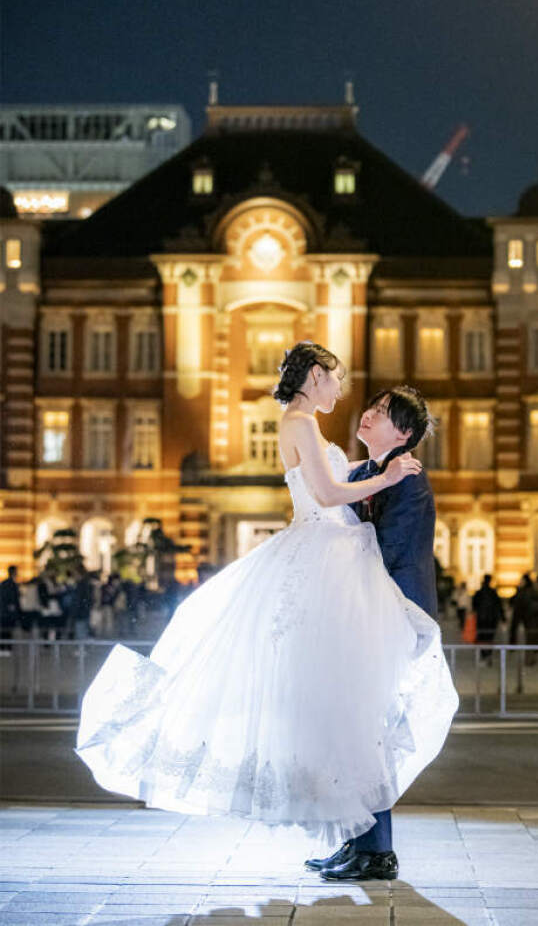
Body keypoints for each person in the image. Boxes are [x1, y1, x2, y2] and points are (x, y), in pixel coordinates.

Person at [75, 341, 457, 868]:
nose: (345, 393)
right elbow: (323, 495)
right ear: (315, 375)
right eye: (337, 379)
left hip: (340, 565)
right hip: (326, 558)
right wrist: (384, 477)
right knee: (342, 707)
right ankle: (365, 844)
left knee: (348, 708)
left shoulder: (317, 429)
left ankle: (364, 843)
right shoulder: (300, 424)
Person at [312, 384, 446, 882]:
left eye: (382, 413)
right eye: (370, 408)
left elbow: (388, 552)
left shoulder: (407, 478)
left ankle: (377, 852)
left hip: (394, 617)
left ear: (404, 433)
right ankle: (357, 843)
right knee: (355, 731)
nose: (367, 416)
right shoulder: (368, 473)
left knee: (373, 735)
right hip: (368, 615)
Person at [472, 573, 505, 663]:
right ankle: (488, 653)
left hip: (481, 619)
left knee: (482, 636)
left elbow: (474, 606)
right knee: (489, 637)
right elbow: (499, 606)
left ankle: (483, 653)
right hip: (491, 619)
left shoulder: (479, 593)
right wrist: (503, 617)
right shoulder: (493, 593)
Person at [0, 565, 21, 656]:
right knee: (8, 630)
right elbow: (14, 599)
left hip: (3, 611)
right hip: (8, 612)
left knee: (4, 630)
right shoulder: (12, 584)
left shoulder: (4, 583)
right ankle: (6, 648)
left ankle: (3, 648)